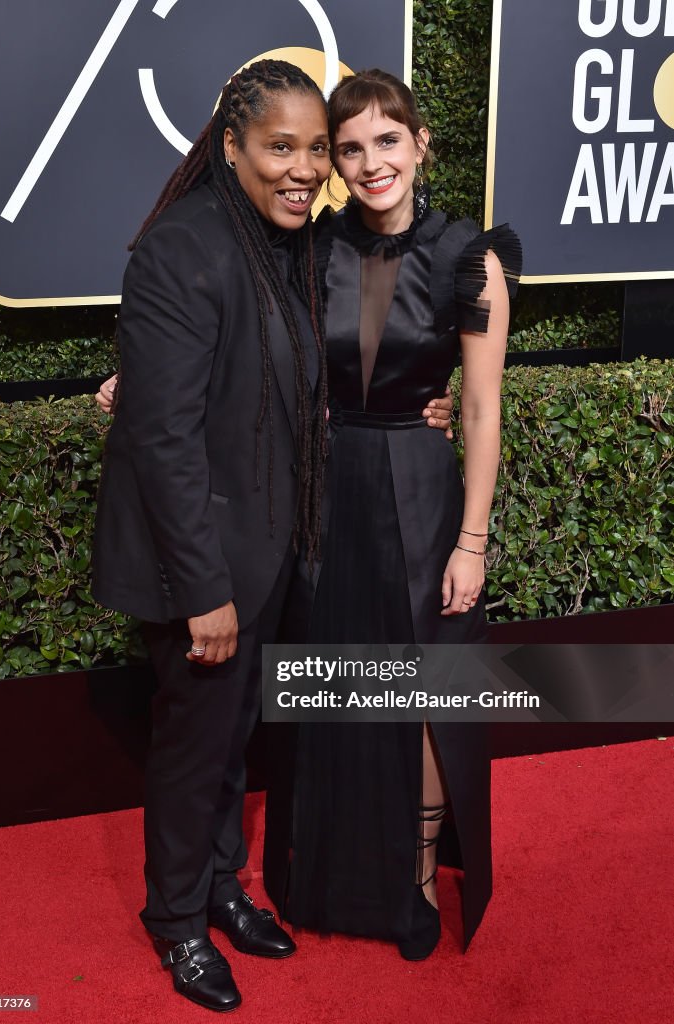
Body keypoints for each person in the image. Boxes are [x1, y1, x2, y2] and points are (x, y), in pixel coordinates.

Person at [91, 59, 454, 1011]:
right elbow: (164, 440)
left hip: (272, 554)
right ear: (230, 147)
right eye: (277, 148)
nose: (302, 169)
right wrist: (203, 589)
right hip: (206, 570)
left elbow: (303, 378)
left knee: (230, 748)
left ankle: (219, 888)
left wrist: (427, 398)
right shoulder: (182, 247)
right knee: (192, 751)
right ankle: (175, 923)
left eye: (311, 151)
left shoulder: (285, 243)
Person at [262, 69, 522, 961]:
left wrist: (472, 541)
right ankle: (326, 869)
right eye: (349, 147)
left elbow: (481, 407)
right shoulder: (309, 249)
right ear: (332, 163)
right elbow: (249, 352)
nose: (370, 162)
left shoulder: (470, 258)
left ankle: (412, 876)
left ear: (419, 144)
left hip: (418, 482)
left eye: (386, 139)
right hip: (326, 490)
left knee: (422, 689)